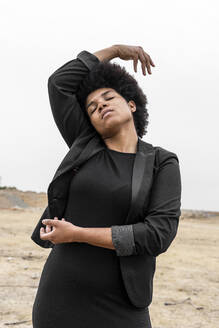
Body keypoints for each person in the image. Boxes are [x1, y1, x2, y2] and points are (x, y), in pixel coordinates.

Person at [31, 45, 181, 328]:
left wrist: (78, 234)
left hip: (123, 303)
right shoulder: (84, 146)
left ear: (132, 104)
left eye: (108, 97)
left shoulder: (161, 162)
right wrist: (114, 51)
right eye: (91, 107)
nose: (100, 105)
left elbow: (158, 235)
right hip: (60, 298)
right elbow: (59, 83)